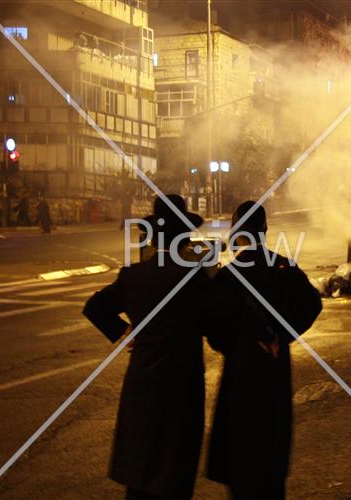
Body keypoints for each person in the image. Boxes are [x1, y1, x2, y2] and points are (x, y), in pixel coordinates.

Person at [83, 194, 243, 500]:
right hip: (180, 385)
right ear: (185, 236)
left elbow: (95, 307)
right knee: (174, 470)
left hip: (142, 384)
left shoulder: (133, 276)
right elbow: (221, 320)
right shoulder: (193, 277)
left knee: (141, 469)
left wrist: (127, 331)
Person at [206, 200, 323, 500]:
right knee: (272, 447)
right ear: (265, 231)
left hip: (241, 370)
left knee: (242, 452)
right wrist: (283, 336)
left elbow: (215, 331)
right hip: (276, 367)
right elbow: (313, 303)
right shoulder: (284, 267)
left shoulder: (229, 276)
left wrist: (233, 344)